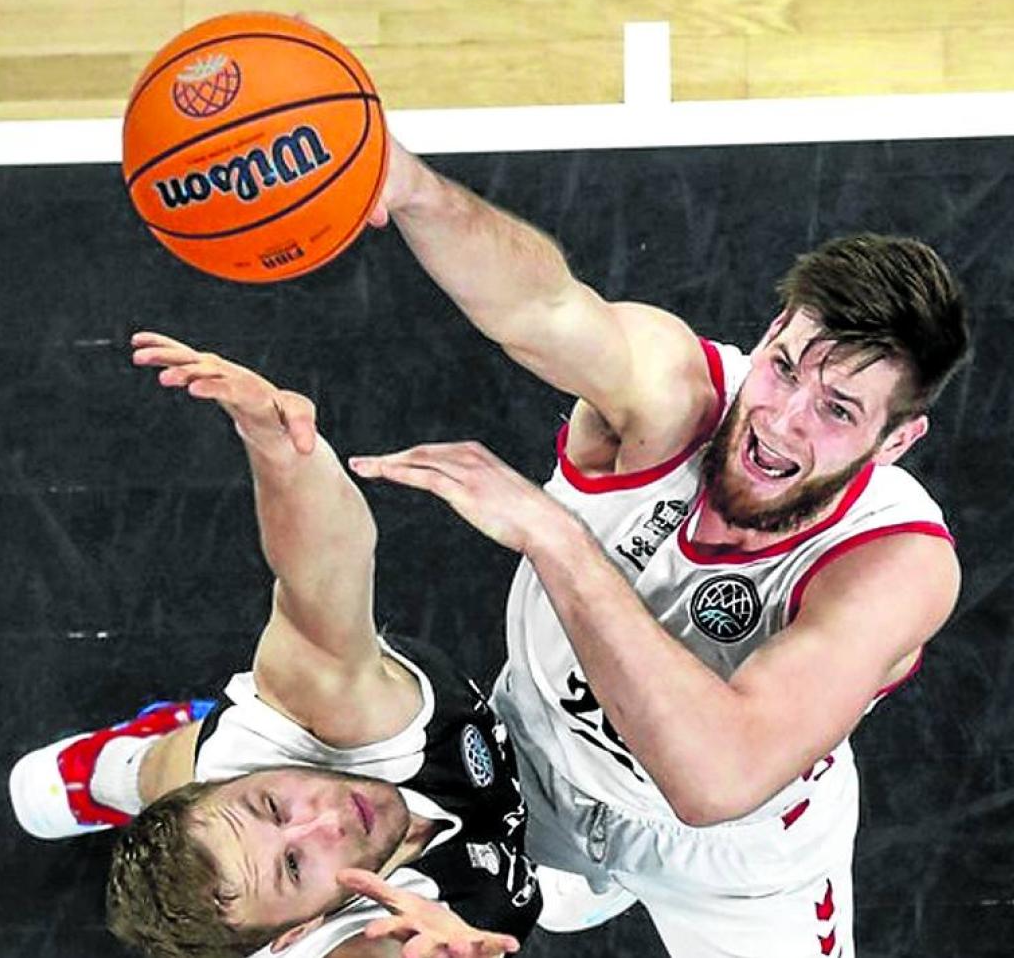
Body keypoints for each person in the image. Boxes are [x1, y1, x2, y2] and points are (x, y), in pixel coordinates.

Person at [346, 140, 971, 957]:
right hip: (535, 763)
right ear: (771, 333)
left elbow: (716, 778)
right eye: (785, 368)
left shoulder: (894, 562)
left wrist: (553, 536)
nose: (782, 421)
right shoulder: (675, 396)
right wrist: (417, 191)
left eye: (838, 410)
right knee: (337, 895)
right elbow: (542, 309)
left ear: (895, 442)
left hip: (735, 860)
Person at [8, 332, 539, 958]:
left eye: (272, 805)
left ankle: (115, 770)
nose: (326, 821)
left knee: (180, 769)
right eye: (293, 866)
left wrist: (278, 451)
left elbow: (325, 570)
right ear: (297, 934)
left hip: (279, 747)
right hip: (550, 846)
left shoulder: (318, 718)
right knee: (577, 889)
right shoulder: (374, 939)